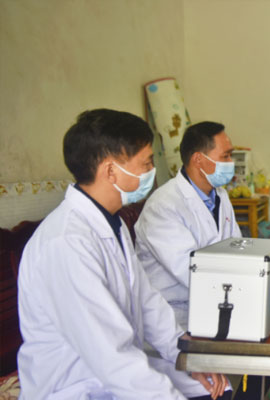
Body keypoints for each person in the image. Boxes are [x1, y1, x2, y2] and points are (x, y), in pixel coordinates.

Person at [17, 109, 229, 400]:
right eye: (146, 163)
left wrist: (187, 357)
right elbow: (109, 355)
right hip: (77, 385)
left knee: (219, 384)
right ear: (110, 171)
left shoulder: (110, 223)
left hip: (115, 371)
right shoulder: (66, 243)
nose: (152, 171)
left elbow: (146, 301)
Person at [135, 121, 241, 328]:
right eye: (225, 156)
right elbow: (191, 271)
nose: (231, 162)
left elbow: (237, 247)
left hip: (213, 301)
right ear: (198, 159)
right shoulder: (163, 205)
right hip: (173, 313)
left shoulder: (220, 195)